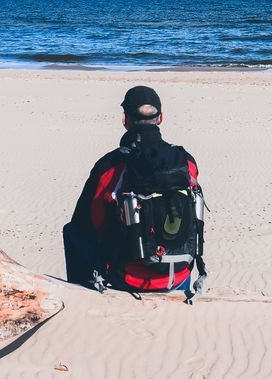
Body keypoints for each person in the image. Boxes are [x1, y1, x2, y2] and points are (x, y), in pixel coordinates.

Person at [63, 85, 206, 298]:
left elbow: (89, 222)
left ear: (125, 120)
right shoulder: (186, 162)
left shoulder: (110, 166)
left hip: (128, 278)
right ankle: (178, 283)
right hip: (179, 272)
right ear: (161, 118)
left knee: (73, 230)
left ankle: (83, 297)